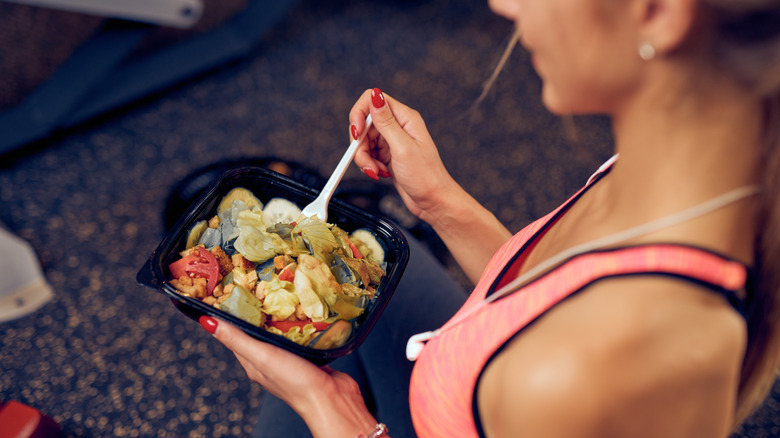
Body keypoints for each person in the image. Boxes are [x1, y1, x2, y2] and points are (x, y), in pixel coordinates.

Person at [197, 0, 780, 436]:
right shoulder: (670, 168)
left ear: (656, 12)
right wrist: (438, 202)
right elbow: (546, 296)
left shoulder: (582, 373)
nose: (501, 3)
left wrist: (338, 418)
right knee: (361, 266)